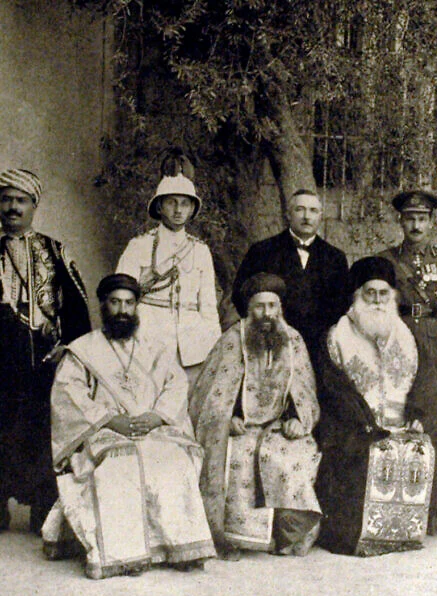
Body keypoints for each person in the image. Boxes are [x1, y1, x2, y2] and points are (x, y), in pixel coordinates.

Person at [43, 274, 216, 579]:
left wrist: (157, 416)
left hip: (153, 427)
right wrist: (111, 420)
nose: (122, 310)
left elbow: (176, 385)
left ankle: (179, 547)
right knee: (117, 462)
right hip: (103, 430)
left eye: (129, 302)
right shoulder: (83, 349)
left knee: (174, 459)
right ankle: (124, 554)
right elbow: (69, 394)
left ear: (137, 306)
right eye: (115, 302)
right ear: (103, 305)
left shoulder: (156, 347)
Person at [190, 273, 322, 559]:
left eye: (272, 306)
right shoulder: (232, 340)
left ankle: (285, 538)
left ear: (280, 308)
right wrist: (229, 418)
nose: (267, 314)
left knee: (292, 460)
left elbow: (304, 389)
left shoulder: (293, 340)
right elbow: (213, 392)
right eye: (260, 307)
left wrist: (297, 418)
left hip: (279, 427)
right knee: (238, 458)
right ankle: (235, 538)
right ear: (249, 309)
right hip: (240, 429)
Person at [313, 257, 436, 556]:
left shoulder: (408, 334)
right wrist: (364, 421)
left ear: (392, 296)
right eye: (371, 293)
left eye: (384, 294)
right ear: (358, 295)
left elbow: (426, 378)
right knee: (358, 459)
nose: (378, 301)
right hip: (354, 427)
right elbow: (333, 387)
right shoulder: (336, 334)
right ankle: (359, 536)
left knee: (424, 451)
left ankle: (405, 533)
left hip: (402, 423)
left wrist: (417, 414)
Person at [0, 168, 91, 534]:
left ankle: (43, 508)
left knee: (40, 433)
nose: (12, 207)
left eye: (21, 200)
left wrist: (69, 347)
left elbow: (77, 306)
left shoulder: (54, 251)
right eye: (6, 199)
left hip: (42, 361)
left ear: (34, 206)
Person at [377, 189, 437, 519]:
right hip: (396, 338)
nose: (416, 224)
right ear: (401, 220)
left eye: (422, 218)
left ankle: (434, 488)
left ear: (431, 222)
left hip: (431, 340)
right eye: (410, 218)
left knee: (428, 412)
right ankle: (392, 487)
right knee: (395, 408)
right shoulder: (387, 260)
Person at [116, 162, 221, 383]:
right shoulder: (139, 246)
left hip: (192, 345)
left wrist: (213, 344)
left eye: (185, 204)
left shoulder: (200, 251)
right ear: (159, 207)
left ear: (192, 209)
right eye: (171, 202)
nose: (178, 210)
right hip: (148, 338)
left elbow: (209, 306)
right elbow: (120, 298)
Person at [232, 189, 349, 361]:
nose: (306, 216)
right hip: (272, 346)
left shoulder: (336, 257)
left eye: (313, 211)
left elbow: (342, 306)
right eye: (300, 209)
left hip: (318, 351)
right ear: (288, 214)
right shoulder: (262, 251)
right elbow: (240, 296)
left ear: (320, 216)